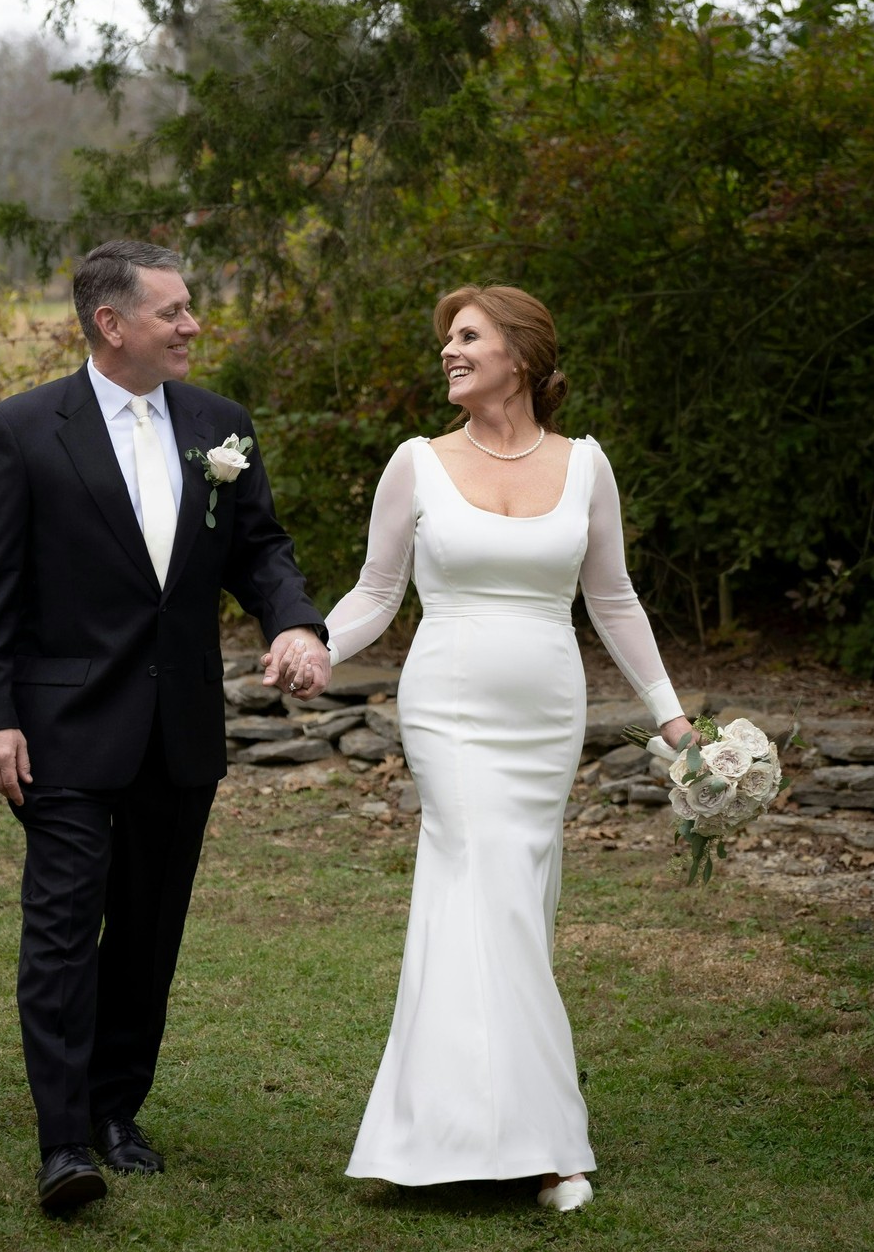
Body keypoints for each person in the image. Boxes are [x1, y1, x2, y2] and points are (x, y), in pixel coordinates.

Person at [284, 284, 694, 1213]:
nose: (448, 352)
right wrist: (317, 641)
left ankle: (448, 1129)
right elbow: (376, 592)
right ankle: (547, 1149)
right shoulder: (415, 463)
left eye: (467, 336)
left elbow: (615, 598)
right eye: (447, 339)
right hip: (452, 707)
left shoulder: (585, 465)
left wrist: (669, 717)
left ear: (521, 352)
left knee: (516, 898)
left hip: (546, 711)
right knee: (485, 881)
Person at [0, 239, 329, 1214]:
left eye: (189, 306)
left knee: (148, 932)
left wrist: (291, 618)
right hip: (63, 727)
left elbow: (260, 547)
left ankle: (119, 1109)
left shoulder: (219, 426)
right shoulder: (24, 429)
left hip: (179, 729)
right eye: (172, 310)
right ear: (110, 323)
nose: (191, 324)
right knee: (63, 926)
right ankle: (64, 1139)